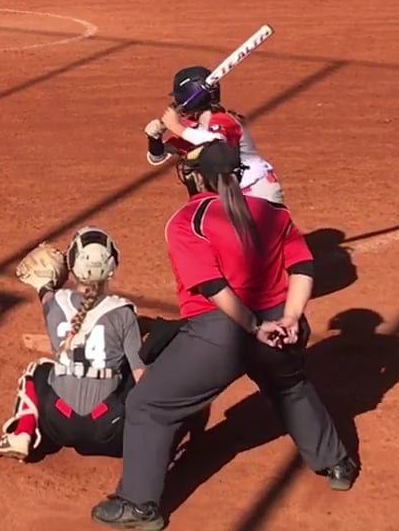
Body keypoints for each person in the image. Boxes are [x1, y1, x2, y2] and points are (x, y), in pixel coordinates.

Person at [89, 140, 357, 530]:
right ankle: (337, 464)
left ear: (198, 178)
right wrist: (290, 318)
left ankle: (139, 506)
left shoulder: (187, 221)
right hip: (282, 328)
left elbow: (214, 288)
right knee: (289, 385)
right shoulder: (273, 212)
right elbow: (302, 267)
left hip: (223, 334)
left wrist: (255, 328)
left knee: (148, 405)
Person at [0, 228, 145, 463]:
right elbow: (141, 378)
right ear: (113, 265)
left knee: (37, 371)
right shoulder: (124, 313)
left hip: (58, 423)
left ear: (73, 265)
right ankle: (148, 444)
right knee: (132, 374)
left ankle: (21, 433)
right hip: (110, 431)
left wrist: (44, 285)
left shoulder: (55, 303)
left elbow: (46, 293)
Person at [143, 65, 285, 204]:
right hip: (231, 196)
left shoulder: (224, 120)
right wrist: (154, 138)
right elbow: (157, 157)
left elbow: (215, 143)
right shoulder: (190, 129)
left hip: (258, 191)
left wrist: (175, 126)